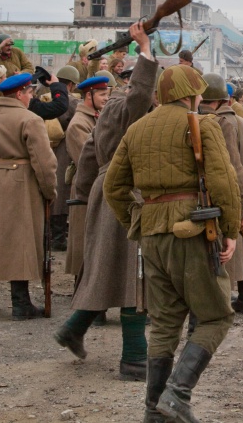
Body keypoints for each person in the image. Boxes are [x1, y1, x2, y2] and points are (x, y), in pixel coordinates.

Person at [104, 65, 240, 423]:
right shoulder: (203, 124)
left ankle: (153, 411)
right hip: (193, 229)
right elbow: (224, 183)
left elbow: (113, 188)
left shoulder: (136, 129)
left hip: (151, 234)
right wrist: (231, 230)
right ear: (192, 94)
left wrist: (137, 219)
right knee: (215, 316)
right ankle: (177, 396)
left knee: (164, 324)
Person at [54, 23, 156, 378]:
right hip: (127, 193)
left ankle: (72, 329)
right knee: (133, 276)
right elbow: (142, 93)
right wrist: (144, 46)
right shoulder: (129, 108)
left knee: (106, 270)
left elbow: (87, 156)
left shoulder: (108, 110)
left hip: (103, 191)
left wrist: (82, 197)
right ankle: (133, 359)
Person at [0, 72, 57, 320]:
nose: (31, 97)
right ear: (19, 94)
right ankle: (20, 303)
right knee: (19, 241)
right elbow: (44, 163)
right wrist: (49, 191)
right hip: (20, 183)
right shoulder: (31, 120)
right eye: (29, 93)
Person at [200, 73, 243, 313]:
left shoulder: (208, 123)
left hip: (217, 193)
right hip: (241, 192)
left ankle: (221, 300)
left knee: (221, 247)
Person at [62, 74, 112, 281]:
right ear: (88, 96)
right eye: (102, 94)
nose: (106, 98)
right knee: (83, 241)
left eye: (107, 94)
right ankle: (82, 289)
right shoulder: (78, 124)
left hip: (96, 187)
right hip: (85, 188)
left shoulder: (95, 118)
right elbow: (88, 159)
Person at [48, 66, 82, 252]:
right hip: (63, 150)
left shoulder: (45, 95)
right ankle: (58, 238)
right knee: (61, 192)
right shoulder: (71, 102)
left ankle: (50, 235)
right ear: (70, 84)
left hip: (48, 149)